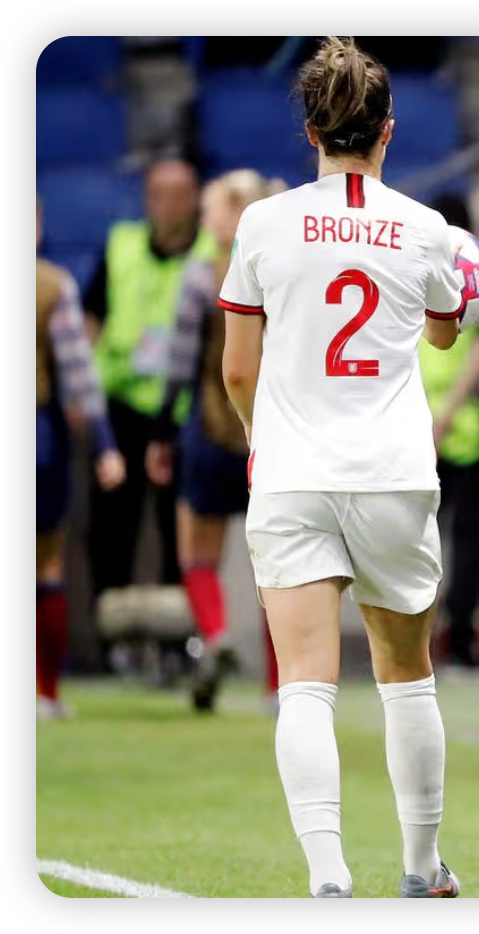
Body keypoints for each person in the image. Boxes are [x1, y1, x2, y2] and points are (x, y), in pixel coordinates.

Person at [219, 36, 479, 898]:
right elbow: (447, 329)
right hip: (393, 471)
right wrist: (465, 291)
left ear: (310, 133)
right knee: (406, 677)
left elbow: (236, 369)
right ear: (387, 132)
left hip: (294, 472)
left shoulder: (262, 223)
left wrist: (269, 443)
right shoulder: (424, 228)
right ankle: (419, 870)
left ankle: (328, 877)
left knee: (304, 683)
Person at [147, 170, 286, 713]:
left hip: (210, 428)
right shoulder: (280, 273)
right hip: (270, 433)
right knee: (278, 565)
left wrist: (161, 429)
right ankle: (280, 684)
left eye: (211, 211)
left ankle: (219, 632)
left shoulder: (203, 279)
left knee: (197, 553)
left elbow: (180, 363)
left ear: (232, 215)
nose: (205, 222)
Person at [84, 158, 216, 602]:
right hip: (120, 404)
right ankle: (109, 641)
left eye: (179, 195)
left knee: (176, 526)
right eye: (159, 194)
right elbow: (91, 320)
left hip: (183, 410)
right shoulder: (121, 246)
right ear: (146, 198)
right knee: (111, 522)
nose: (169, 206)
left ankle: (182, 641)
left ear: (195, 199)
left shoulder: (212, 256)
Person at [37, 193, 127, 720]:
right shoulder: (53, 286)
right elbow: (79, 374)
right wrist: (106, 443)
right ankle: (46, 693)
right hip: (40, 436)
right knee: (46, 562)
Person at [422, 193, 479, 669]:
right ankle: (455, 642)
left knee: (438, 539)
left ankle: (445, 638)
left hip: (449, 424)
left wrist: (440, 414)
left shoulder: (418, 273)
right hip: (459, 422)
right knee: (459, 539)